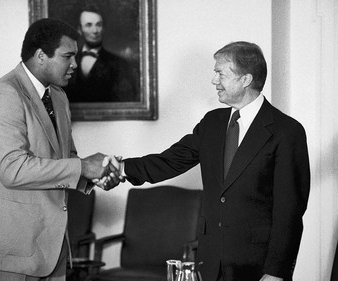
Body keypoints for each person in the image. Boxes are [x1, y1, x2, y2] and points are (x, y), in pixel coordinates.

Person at [111, 41, 310, 281]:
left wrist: (276, 272)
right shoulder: (212, 123)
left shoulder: (286, 131)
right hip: (210, 260)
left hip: (257, 265)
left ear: (245, 79)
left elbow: (289, 211)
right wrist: (119, 168)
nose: (214, 81)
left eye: (220, 74)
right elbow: (170, 161)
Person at [0, 18, 120, 281]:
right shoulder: (3, 94)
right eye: (68, 56)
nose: (75, 64)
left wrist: (93, 176)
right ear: (41, 56)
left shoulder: (59, 97)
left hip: (53, 247)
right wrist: (83, 166)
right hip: (13, 249)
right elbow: (12, 169)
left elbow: (66, 159)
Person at [65, 4, 139, 103]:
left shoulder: (119, 64)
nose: (95, 30)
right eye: (89, 25)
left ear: (103, 28)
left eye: (98, 25)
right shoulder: (67, 62)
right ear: (80, 29)